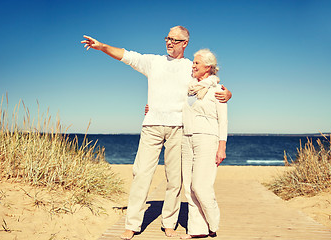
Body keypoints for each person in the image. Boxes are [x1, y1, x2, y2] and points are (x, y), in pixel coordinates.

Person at [81, 26, 231, 240]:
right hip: (151, 126)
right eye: (167, 38)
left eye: (174, 39)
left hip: (179, 128)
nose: (169, 42)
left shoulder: (191, 67)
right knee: (141, 173)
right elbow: (127, 56)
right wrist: (103, 47)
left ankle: (169, 223)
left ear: (184, 43)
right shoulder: (154, 62)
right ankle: (132, 225)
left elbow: (212, 80)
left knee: (174, 180)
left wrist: (229, 93)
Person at [180, 49, 228, 239]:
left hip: (207, 138)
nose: (193, 65)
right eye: (193, 62)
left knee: (201, 186)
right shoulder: (189, 89)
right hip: (186, 137)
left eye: (196, 63)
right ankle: (197, 230)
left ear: (208, 67)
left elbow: (223, 121)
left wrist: (221, 147)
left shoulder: (218, 90)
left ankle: (213, 223)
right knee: (189, 187)